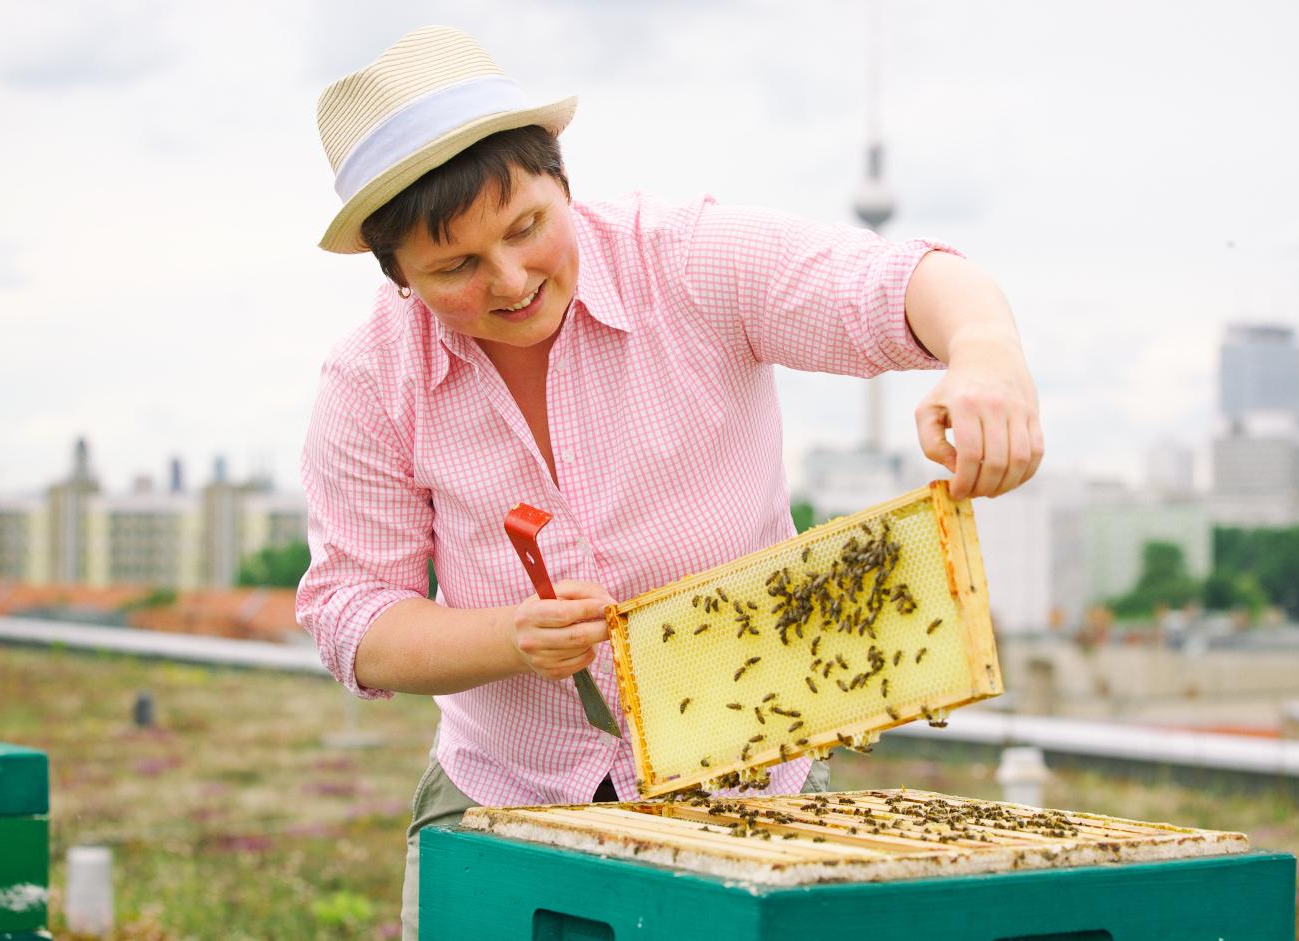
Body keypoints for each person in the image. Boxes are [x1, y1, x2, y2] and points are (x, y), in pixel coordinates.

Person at [297, 25, 1042, 940]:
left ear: (560, 180)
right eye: (454, 268)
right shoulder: (370, 378)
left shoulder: (684, 255)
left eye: (527, 228)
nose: (511, 278)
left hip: (758, 779)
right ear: (397, 274)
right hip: (506, 793)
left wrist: (985, 355)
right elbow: (352, 617)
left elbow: (899, 282)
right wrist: (511, 637)